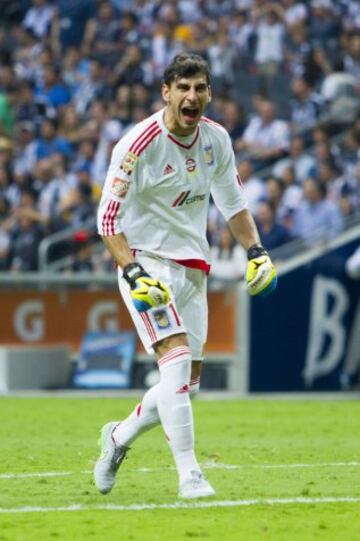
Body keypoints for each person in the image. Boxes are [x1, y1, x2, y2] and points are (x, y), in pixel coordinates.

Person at [94, 53, 277, 499]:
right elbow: (107, 219)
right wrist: (133, 271)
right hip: (146, 264)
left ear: (209, 93)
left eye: (200, 88)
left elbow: (233, 205)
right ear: (166, 92)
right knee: (173, 362)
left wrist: (256, 250)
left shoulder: (216, 139)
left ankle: (117, 437)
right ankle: (190, 475)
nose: (192, 96)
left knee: (185, 387)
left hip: (193, 267)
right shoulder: (137, 145)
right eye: (183, 88)